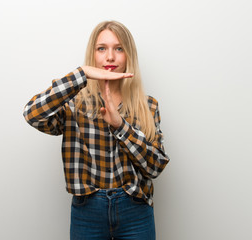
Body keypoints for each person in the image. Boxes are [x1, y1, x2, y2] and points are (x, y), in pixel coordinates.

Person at [23, 20, 170, 240]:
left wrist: (120, 125)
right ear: (93, 55)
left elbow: (155, 167)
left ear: (129, 55)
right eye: (102, 48)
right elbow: (32, 114)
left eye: (119, 49)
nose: (110, 57)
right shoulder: (74, 103)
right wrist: (81, 74)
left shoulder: (148, 105)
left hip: (135, 209)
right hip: (88, 210)